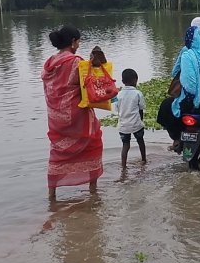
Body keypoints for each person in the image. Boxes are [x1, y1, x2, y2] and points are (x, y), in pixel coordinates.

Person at [42, 25, 103, 200]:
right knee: (93, 143)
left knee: (58, 152)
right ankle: (93, 191)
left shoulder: (49, 64)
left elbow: (52, 89)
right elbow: (90, 85)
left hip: (56, 118)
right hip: (77, 117)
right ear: (73, 42)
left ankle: (51, 195)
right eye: (78, 41)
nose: (79, 44)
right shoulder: (76, 62)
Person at [115, 68, 146, 167]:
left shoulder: (118, 95)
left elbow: (116, 110)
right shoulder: (137, 93)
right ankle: (144, 160)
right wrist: (141, 121)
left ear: (123, 81)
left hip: (123, 125)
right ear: (136, 80)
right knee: (140, 141)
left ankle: (123, 166)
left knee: (125, 145)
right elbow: (141, 109)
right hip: (136, 123)